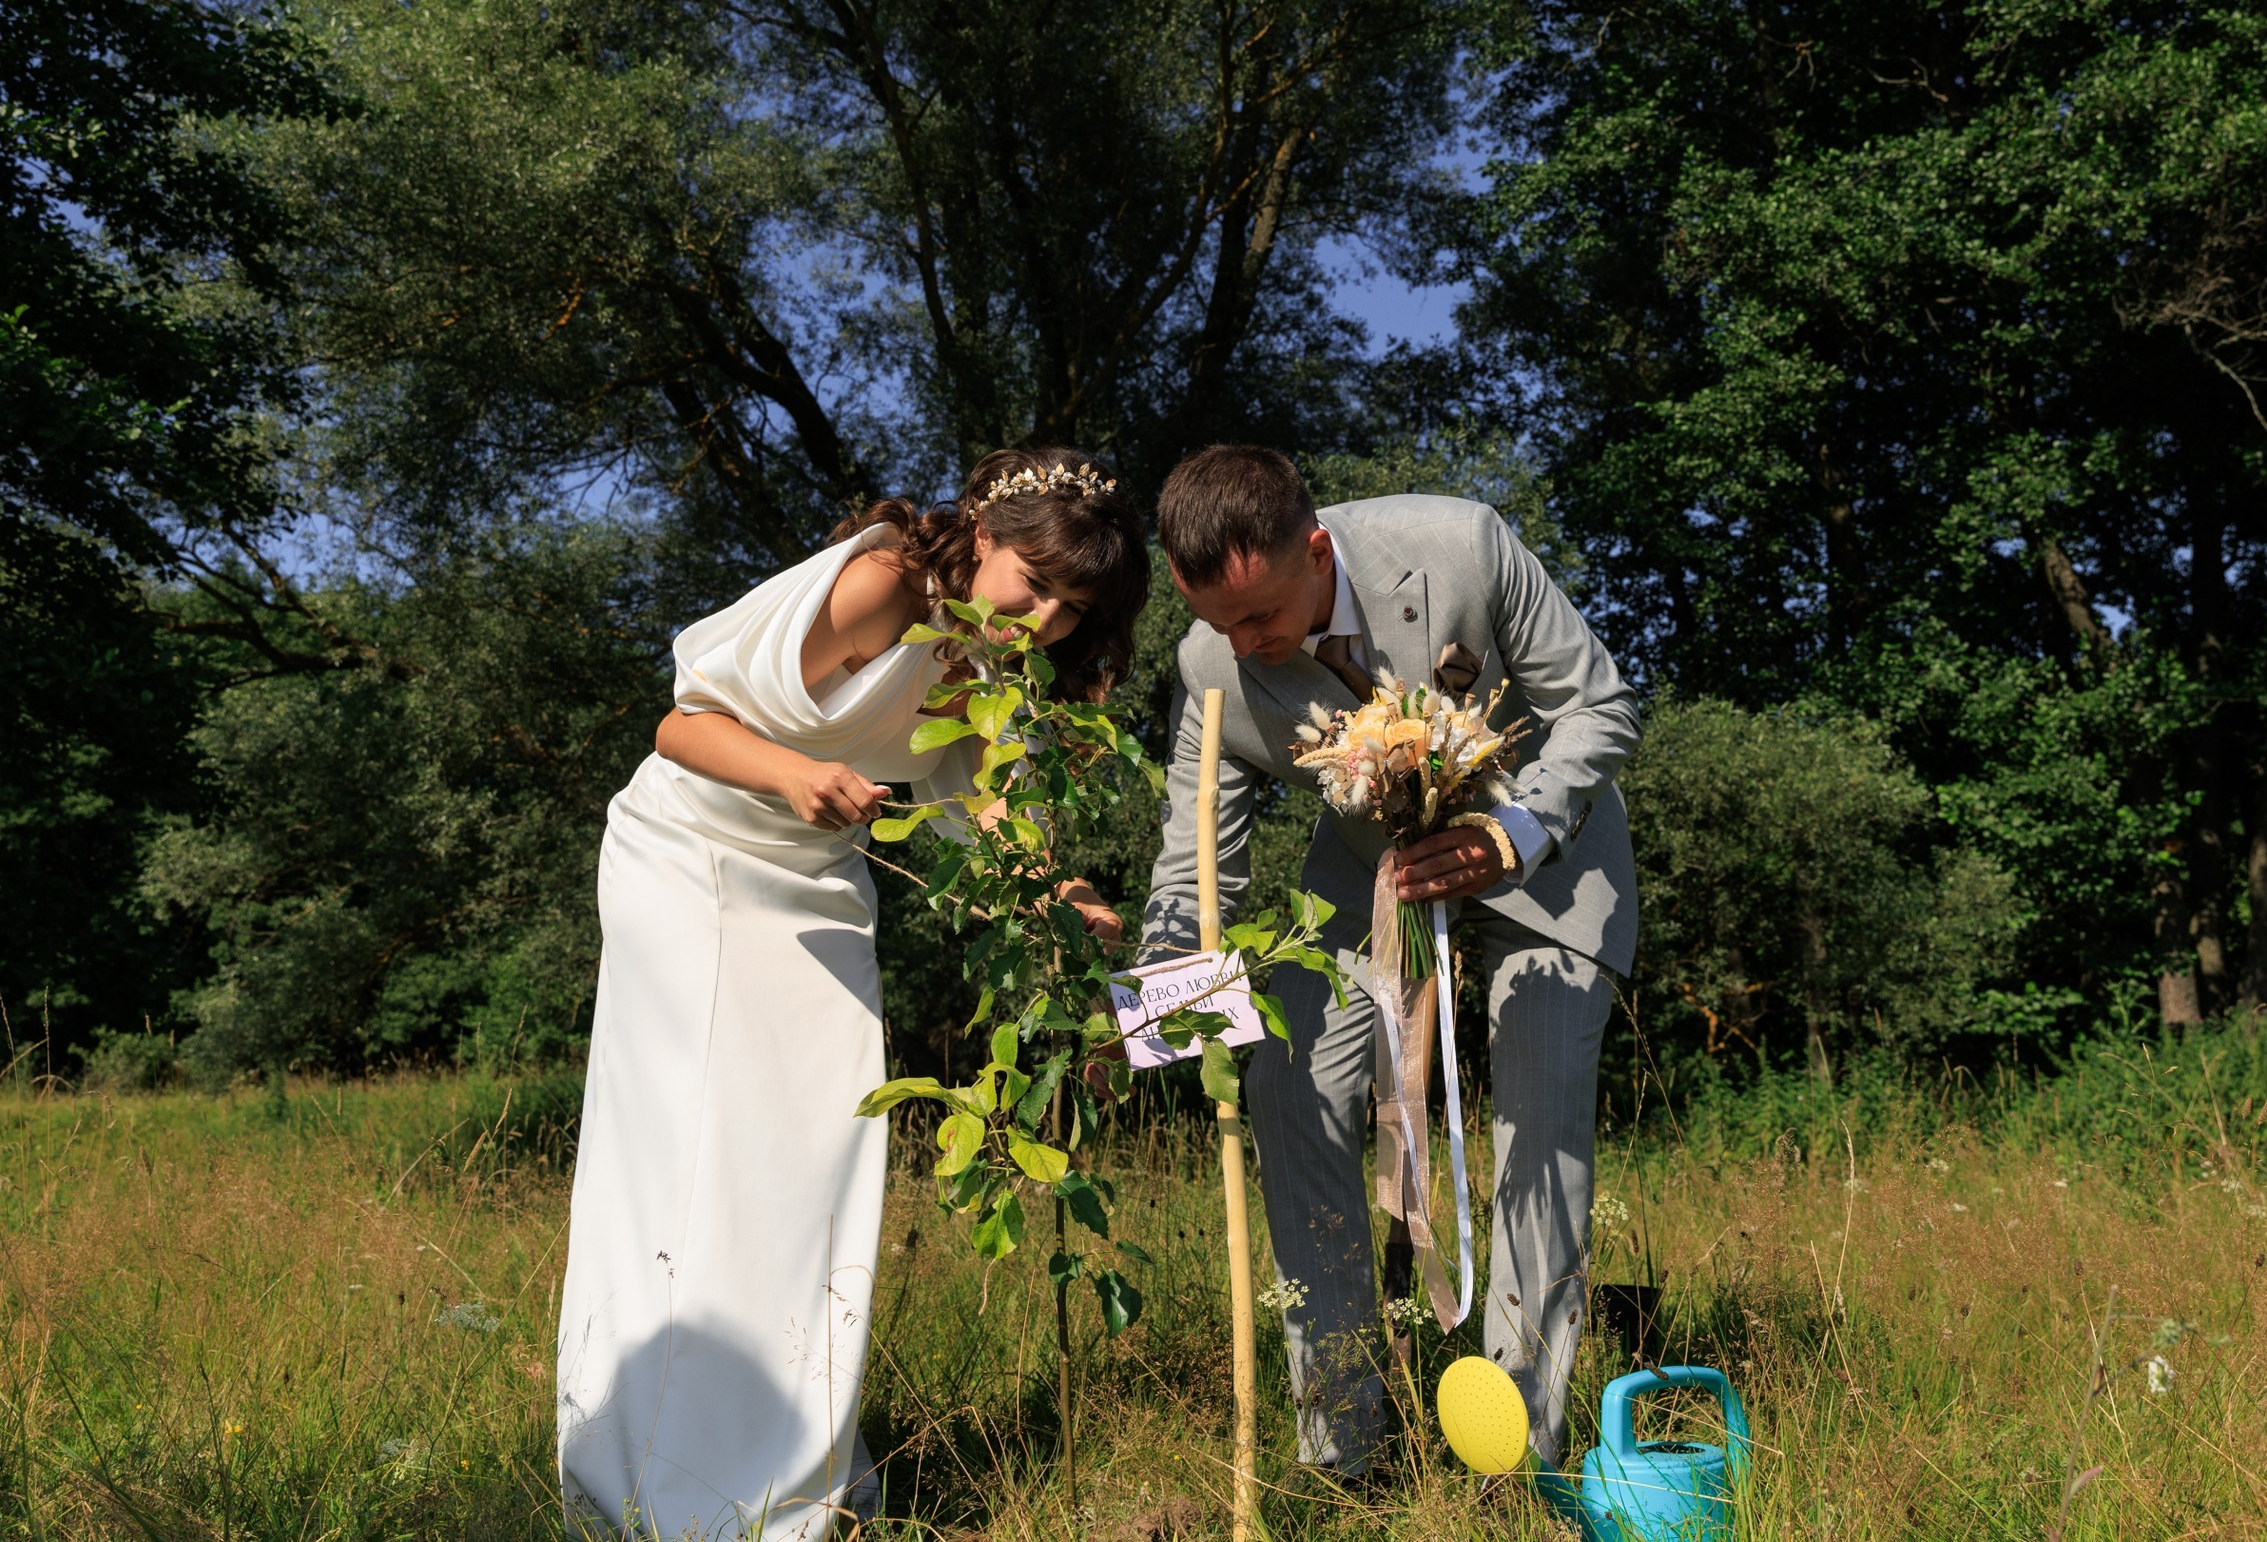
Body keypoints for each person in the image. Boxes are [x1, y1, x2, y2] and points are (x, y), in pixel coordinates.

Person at [557, 449, 1148, 1539]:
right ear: (982, 536)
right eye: (1036, 580)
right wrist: (794, 776)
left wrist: (1061, 898)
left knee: (820, 1151)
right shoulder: (880, 585)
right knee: (698, 1153)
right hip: (693, 855)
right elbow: (680, 726)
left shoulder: (992, 667)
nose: (1047, 619)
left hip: (817, 884)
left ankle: (789, 1454)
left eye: (1074, 608)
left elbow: (993, 820)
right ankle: (662, 1469)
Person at [1141, 444, 1641, 1478]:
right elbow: (1196, 870)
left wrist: (1511, 833)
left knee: (1538, 1121)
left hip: (1543, 853)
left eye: (1261, 617)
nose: (1241, 643)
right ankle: (1344, 1446)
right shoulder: (1208, 663)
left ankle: (1516, 1452)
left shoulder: (1461, 545)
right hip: (1372, 877)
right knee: (1286, 1075)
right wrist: (1158, 1023)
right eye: (1215, 621)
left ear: (1315, 549)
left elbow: (1599, 708)